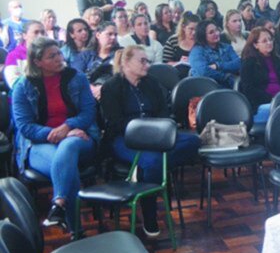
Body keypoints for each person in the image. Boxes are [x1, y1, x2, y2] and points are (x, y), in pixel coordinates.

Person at [101, 45, 200, 236]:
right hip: (126, 139)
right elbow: (115, 123)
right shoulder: (111, 87)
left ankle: (141, 170)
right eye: (142, 61)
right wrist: (145, 131)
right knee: (154, 161)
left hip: (156, 136)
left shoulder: (151, 83)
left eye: (148, 61)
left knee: (193, 142)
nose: (147, 65)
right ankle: (150, 215)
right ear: (126, 63)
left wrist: (158, 131)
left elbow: (164, 112)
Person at [12, 37, 100, 232]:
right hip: (40, 143)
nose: (60, 58)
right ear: (37, 62)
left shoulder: (77, 78)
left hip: (79, 139)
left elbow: (88, 113)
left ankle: (59, 203)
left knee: (68, 147)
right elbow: (25, 126)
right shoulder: (23, 86)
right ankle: (75, 232)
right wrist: (55, 133)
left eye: (59, 53)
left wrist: (68, 127)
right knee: (67, 168)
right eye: (52, 56)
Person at [239, 28, 280, 124]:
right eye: (264, 41)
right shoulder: (248, 63)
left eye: (270, 39)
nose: (269, 43)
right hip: (262, 104)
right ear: (255, 45)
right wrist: (273, 99)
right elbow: (249, 90)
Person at [189, 19, 241, 88]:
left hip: (229, 86)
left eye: (217, 30)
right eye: (211, 32)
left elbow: (238, 64)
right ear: (203, 35)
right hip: (206, 88)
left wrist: (218, 66)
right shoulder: (196, 51)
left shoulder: (227, 47)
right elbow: (204, 72)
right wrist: (226, 76)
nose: (216, 33)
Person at [4, 20, 45, 88]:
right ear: (24, 35)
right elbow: (14, 83)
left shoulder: (51, 53)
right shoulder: (14, 56)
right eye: (36, 32)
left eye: (42, 32)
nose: (40, 36)